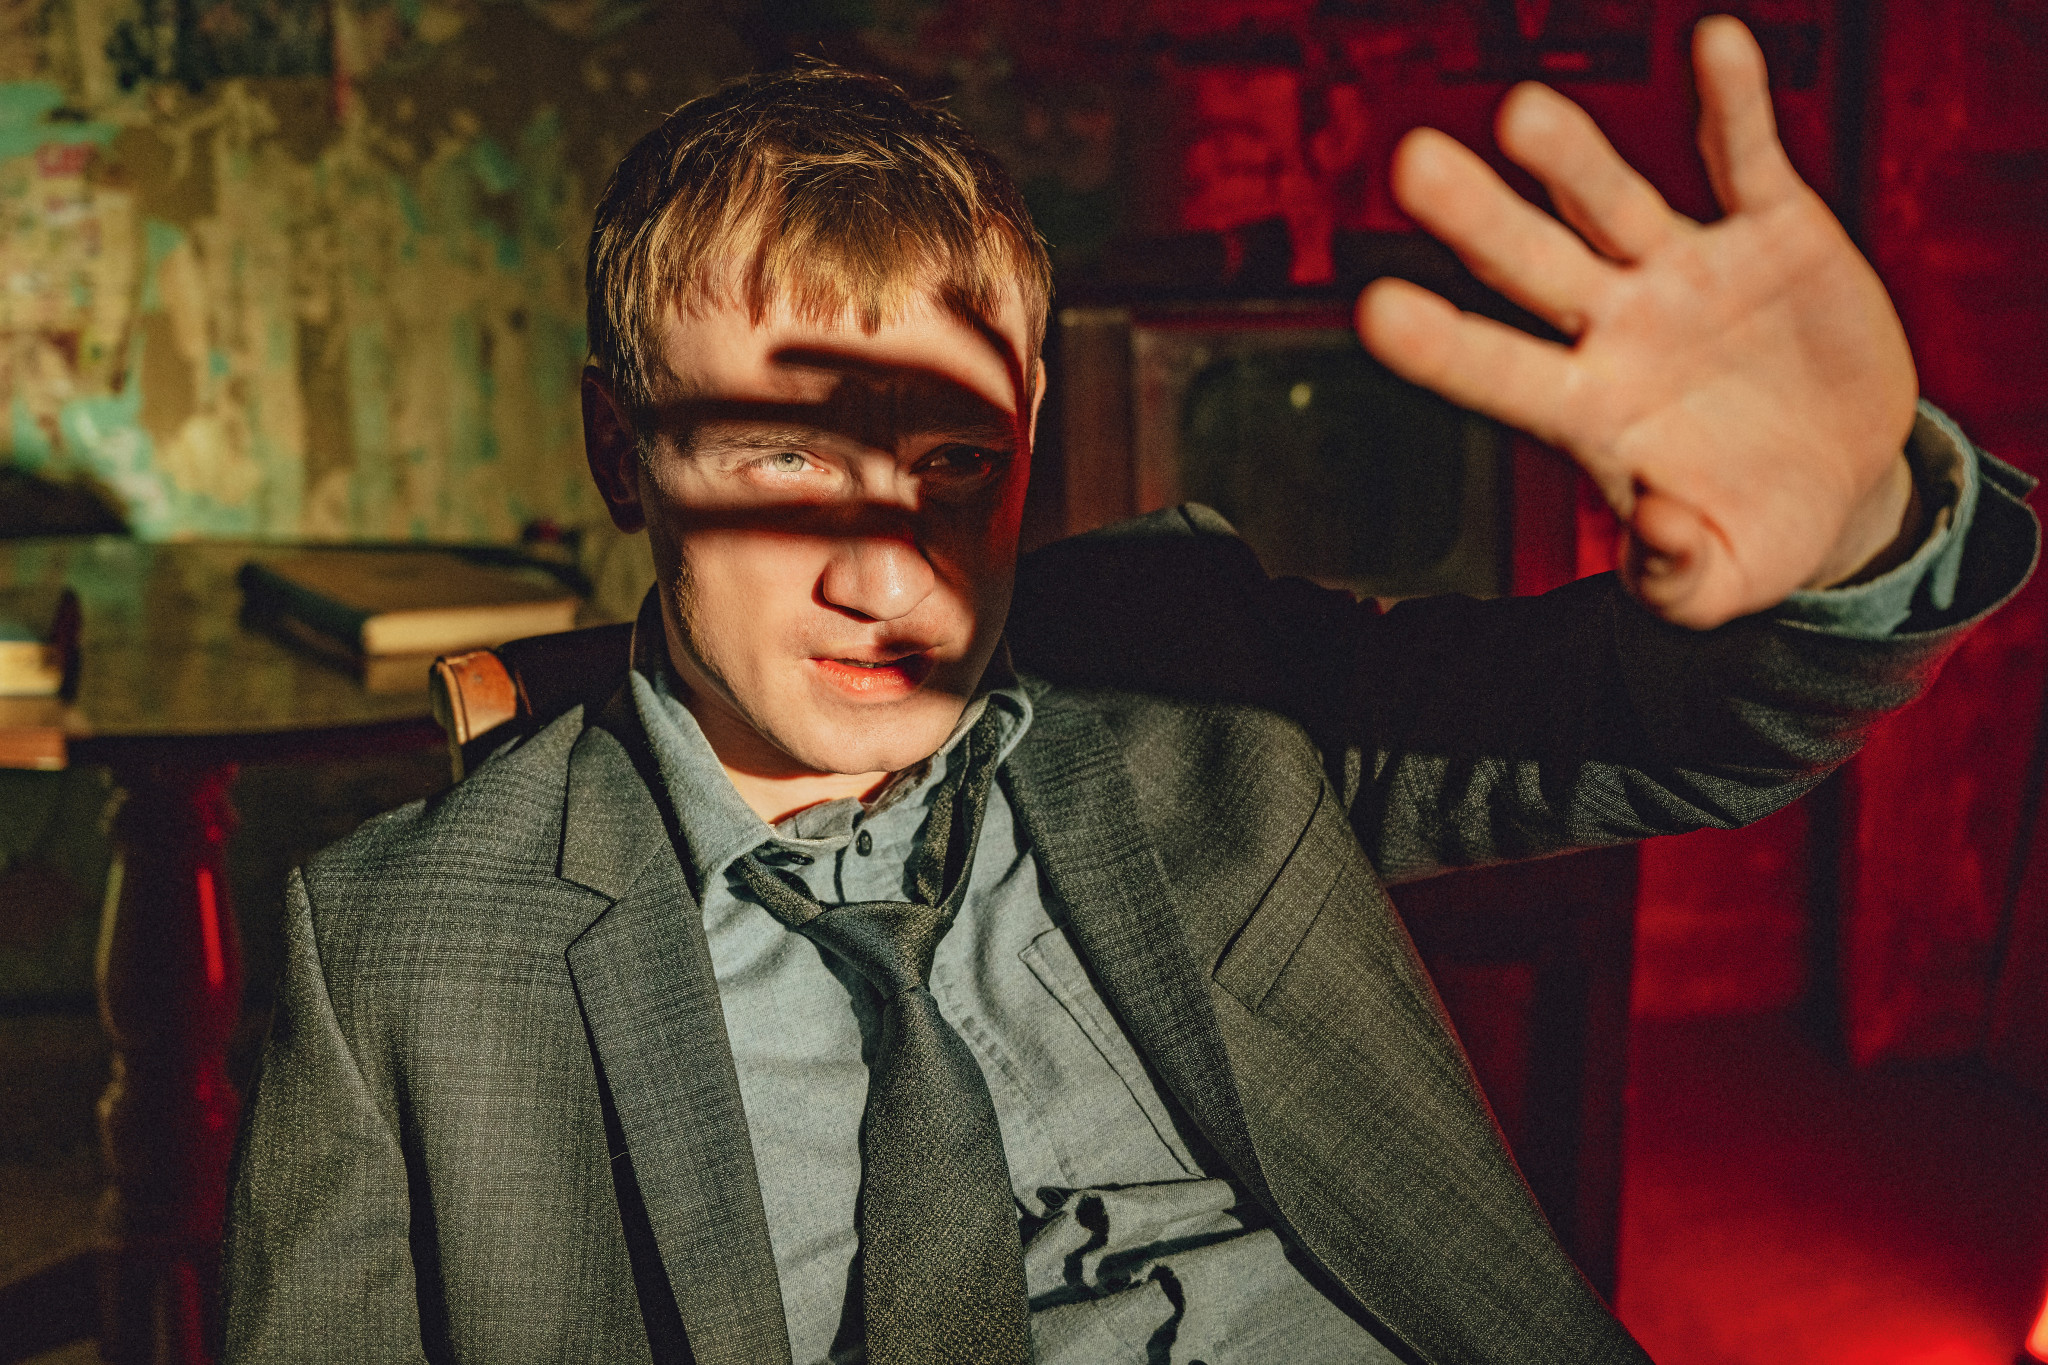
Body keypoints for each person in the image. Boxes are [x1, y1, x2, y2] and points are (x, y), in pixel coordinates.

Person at [222, 17, 2037, 1365]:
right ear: (621, 448)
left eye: (954, 467)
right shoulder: (400, 950)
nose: (889, 577)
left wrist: (1850, 533)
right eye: (784, 461)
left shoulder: (1190, 669)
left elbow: (1654, 736)